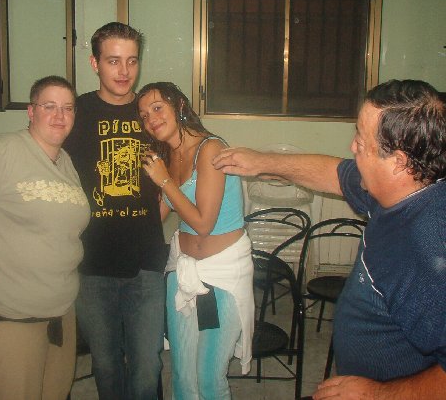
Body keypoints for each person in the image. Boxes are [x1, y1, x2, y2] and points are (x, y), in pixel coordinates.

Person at [212, 79, 446, 400]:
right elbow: (334, 173)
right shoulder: (399, 191)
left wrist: (377, 394)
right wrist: (262, 162)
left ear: (399, 162)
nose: (352, 147)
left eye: (361, 141)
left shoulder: (427, 248)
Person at [0, 75, 90, 400]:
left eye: (67, 108)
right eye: (49, 106)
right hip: (8, 314)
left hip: (59, 311)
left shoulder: (65, 162)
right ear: (31, 111)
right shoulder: (0, 151)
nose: (59, 115)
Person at [63, 22, 168, 400]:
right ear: (95, 63)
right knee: (106, 364)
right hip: (91, 263)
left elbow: (173, 177)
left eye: (132, 61)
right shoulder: (76, 113)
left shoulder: (151, 114)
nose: (124, 71)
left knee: (147, 365)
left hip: (145, 262)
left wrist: (153, 218)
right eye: (113, 61)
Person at [137, 82, 254, 399]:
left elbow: (203, 223)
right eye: (144, 115)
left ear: (179, 106)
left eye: (157, 108)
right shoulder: (168, 155)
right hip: (183, 269)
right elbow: (155, 218)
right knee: (182, 375)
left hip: (223, 274)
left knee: (209, 379)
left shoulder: (211, 149)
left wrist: (163, 180)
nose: (151, 119)